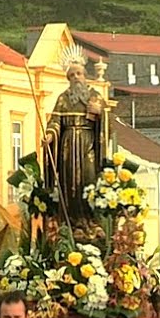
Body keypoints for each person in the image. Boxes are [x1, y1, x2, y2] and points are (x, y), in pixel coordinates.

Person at [42, 59, 104, 228]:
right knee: (70, 182)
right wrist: (50, 135)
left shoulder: (95, 96)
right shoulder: (63, 98)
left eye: (79, 74)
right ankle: (72, 221)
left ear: (85, 76)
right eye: (72, 75)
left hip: (88, 143)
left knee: (88, 179)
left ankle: (91, 221)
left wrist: (100, 114)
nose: (76, 78)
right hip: (68, 146)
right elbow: (55, 121)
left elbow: (107, 125)